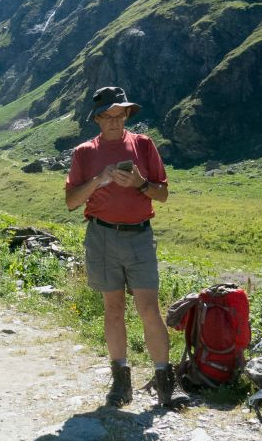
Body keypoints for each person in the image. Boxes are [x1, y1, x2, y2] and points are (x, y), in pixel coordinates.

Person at [64, 86, 188, 408]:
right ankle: (121, 383)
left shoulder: (144, 146)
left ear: (127, 115)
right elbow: (71, 202)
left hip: (139, 236)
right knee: (113, 309)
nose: (115, 122)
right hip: (102, 236)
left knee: (149, 308)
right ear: (98, 119)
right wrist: (98, 181)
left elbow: (162, 194)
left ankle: (166, 383)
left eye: (120, 115)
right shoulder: (84, 153)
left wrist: (139, 184)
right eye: (108, 116)